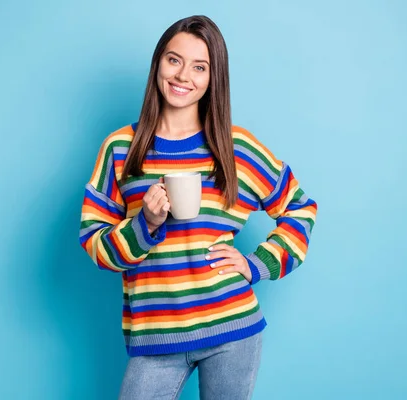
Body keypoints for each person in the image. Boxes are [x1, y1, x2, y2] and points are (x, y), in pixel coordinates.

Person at [79, 15, 318, 400]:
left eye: (199, 66)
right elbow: (94, 243)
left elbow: (300, 207)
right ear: (158, 63)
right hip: (155, 336)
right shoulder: (121, 148)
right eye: (174, 60)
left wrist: (255, 264)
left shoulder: (235, 148)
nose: (183, 75)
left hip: (231, 330)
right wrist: (145, 223)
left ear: (213, 78)